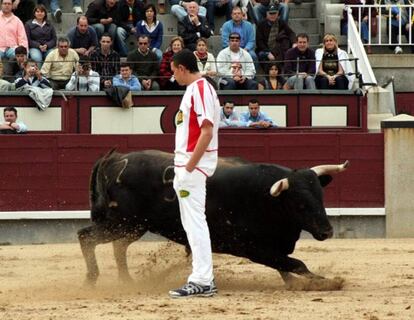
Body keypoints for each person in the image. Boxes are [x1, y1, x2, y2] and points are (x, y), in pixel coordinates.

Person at [168, 49, 220, 298]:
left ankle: (202, 279)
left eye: (173, 71)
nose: (173, 76)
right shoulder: (198, 89)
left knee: (195, 223)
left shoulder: (199, 89)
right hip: (190, 166)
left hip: (192, 167)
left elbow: (207, 131)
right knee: (192, 223)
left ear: (181, 68)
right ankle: (203, 277)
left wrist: (189, 166)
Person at [256, 3, 295, 68]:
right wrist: (268, 52)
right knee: (261, 55)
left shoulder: (281, 22)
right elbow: (259, 42)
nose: (272, 15)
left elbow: (291, 33)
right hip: (265, 50)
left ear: (277, 14)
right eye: (270, 13)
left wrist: (294, 42)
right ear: (267, 14)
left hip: (278, 50)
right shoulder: (261, 24)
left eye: (274, 13)